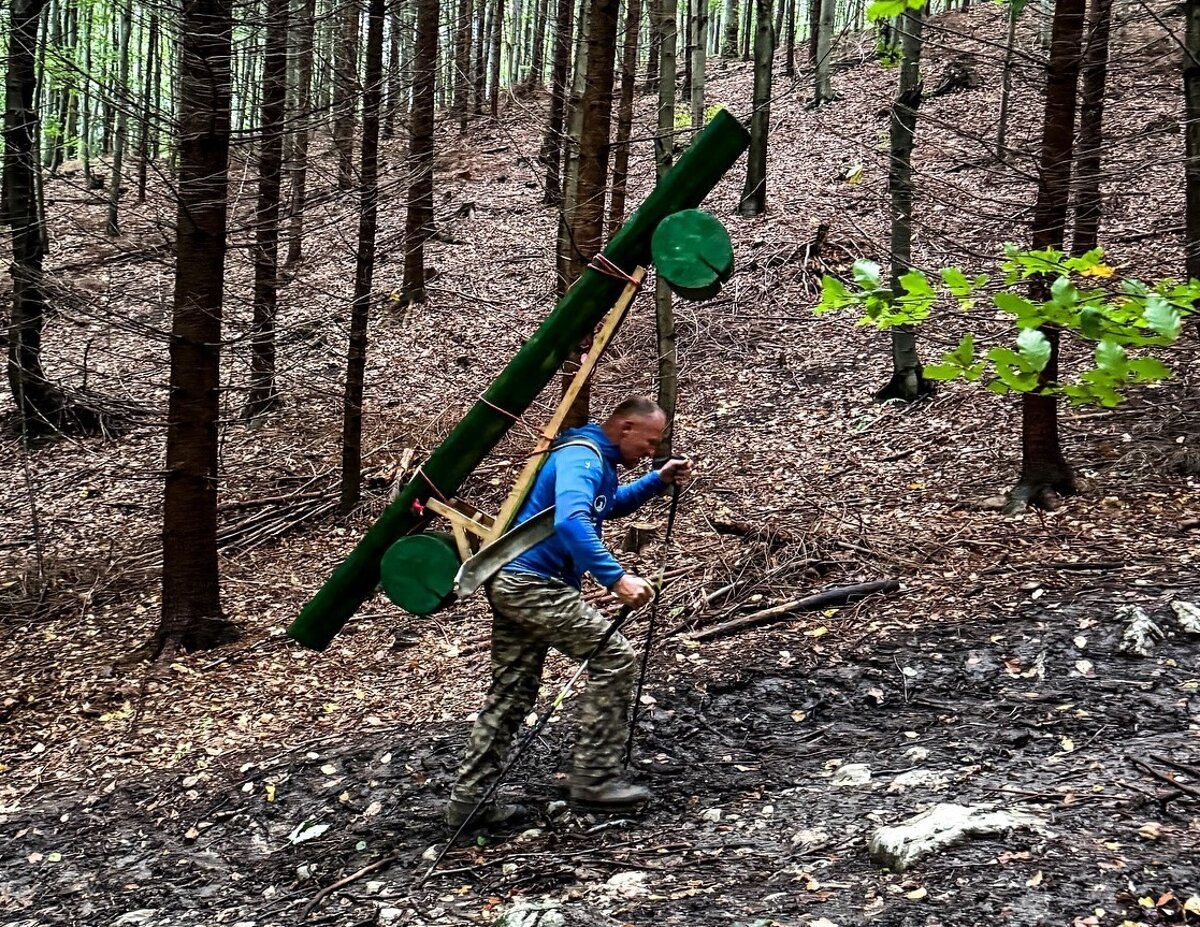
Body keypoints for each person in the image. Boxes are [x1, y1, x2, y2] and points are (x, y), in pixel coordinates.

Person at [446, 396, 692, 829]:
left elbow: (605, 506)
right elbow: (573, 521)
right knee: (614, 658)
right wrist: (616, 578)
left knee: (512, 693)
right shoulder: (583, 457)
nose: (651, 451)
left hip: (515, 581)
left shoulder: (594, 459)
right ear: (626, 427)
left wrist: (656, 480)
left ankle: (470, 803)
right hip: (531, 583)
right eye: (650, 443)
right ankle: (594, 779)